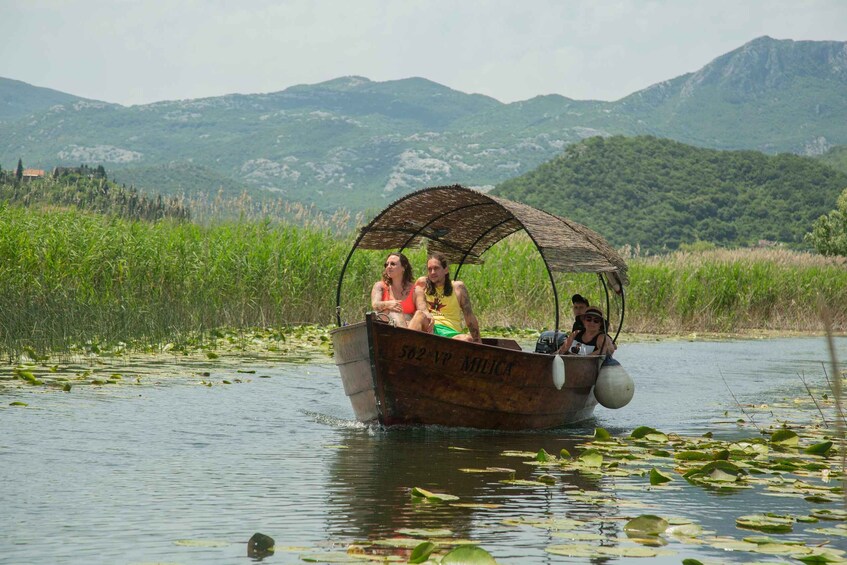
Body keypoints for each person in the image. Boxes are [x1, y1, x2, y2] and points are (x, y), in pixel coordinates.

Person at [408, 253, 481, 343]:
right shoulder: (422, 283)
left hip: (451, 334)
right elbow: (412, 307)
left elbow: (469, 317)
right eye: (429, 269)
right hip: (430, 328)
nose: (432, 272)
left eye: (436, 268)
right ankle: (405, 344)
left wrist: (478, 342)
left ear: (446, 270)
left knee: (467, 339)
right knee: (419, 314)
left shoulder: (458, 287)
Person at [371, 252, 417, 327]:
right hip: (385, 325)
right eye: (386, 264)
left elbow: (422, 310)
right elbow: (375, 305)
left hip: (409, 325)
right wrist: (388, 304)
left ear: (404, 267)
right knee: (395, 312)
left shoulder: (415, 290)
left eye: (393, 264)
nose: (388, 267)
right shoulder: (380, 286)